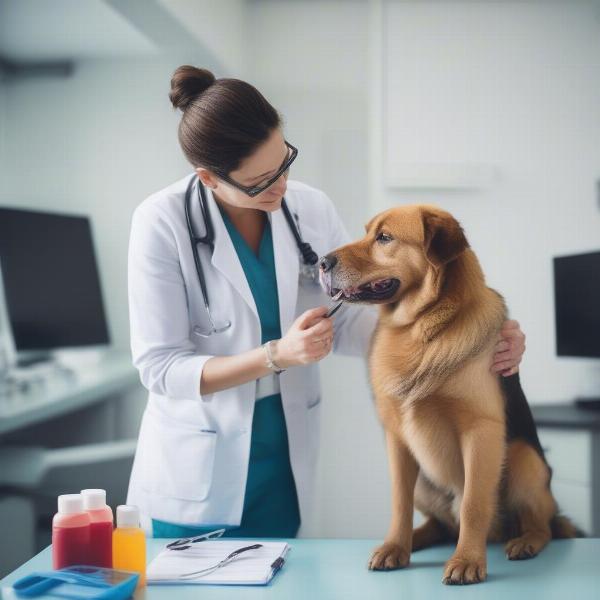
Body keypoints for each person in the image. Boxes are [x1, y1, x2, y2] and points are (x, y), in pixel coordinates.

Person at [126, 66, 526, 539]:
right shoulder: (161, 222)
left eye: (284, 162)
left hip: (284, 456)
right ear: (210, 179)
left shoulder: (308, 208)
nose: (279, 186)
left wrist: (475, 337)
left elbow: (359, 328)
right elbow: (160, 367)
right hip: (196, 467)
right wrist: (277, 356)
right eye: (259, 181)